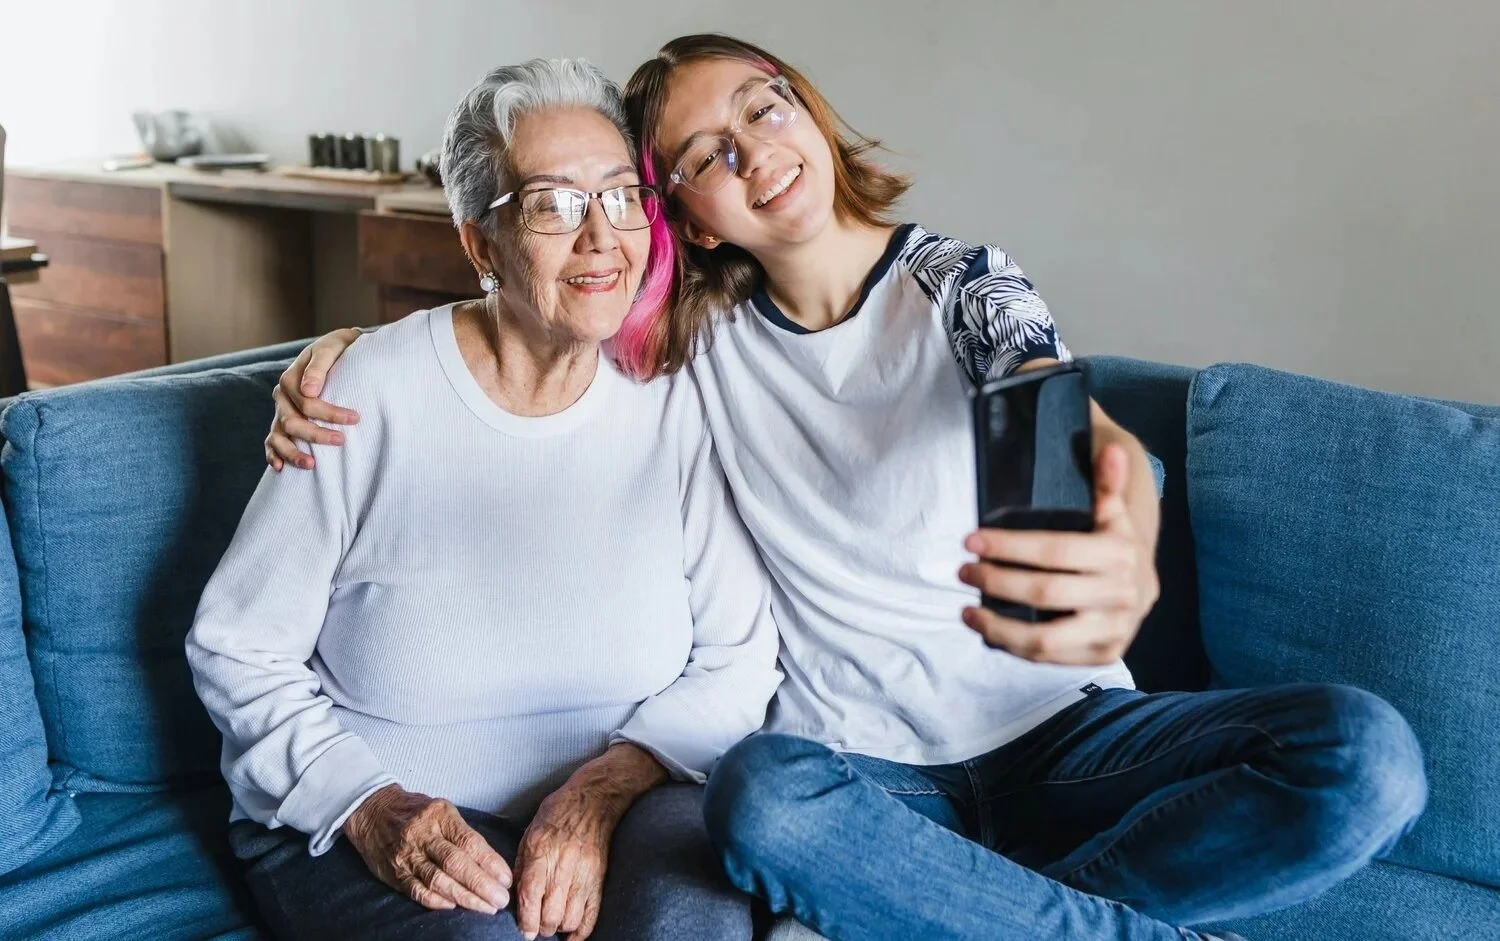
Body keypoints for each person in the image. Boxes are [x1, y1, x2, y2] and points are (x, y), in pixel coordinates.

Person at [265, 35, 1428, 941]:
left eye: (761, 106)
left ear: (808, 109)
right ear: (688, 216)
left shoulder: (965, 287)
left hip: (1066, 739)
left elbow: (1046, 420)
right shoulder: (694, 344)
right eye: (704, 155)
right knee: (756, 796)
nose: (752, 148)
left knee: (1368, 757)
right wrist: (337, 350)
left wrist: (1118, 501)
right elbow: (531, 293)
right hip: (865, 784)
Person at [188, 58, 781, 941]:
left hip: (627, 796)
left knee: (693, 924)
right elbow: (237, 647)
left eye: (622, 197)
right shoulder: (362, 393)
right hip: (377, 813)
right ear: (478, 245)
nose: (600, 238)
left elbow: (737, 654)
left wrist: (602, 789)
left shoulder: (676, 393)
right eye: (552, 204)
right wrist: (368, 804)